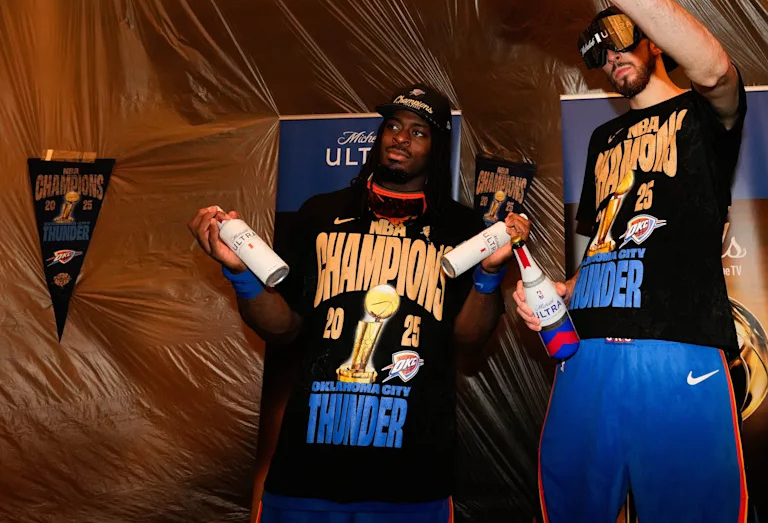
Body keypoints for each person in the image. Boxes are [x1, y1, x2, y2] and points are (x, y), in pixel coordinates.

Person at [505, 0, 749, 523]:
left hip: (678, 349)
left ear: (654, 42)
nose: (611, 55)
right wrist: (563, 289)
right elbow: (604, 245)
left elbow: (717, 71)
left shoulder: (703, 114)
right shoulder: (602, 139)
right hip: (586, 355)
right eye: (597, 51)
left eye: (619, 38)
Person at [189, 84, 527, 523]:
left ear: (438, 146)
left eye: (418, 131)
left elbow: (469, 339)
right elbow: (283, 328)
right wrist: (240, 274)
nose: (401, 138)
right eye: (393, 126)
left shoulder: (463, 229)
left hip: (411, 477)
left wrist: (489, 274)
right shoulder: (318, 214)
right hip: (306, 472)